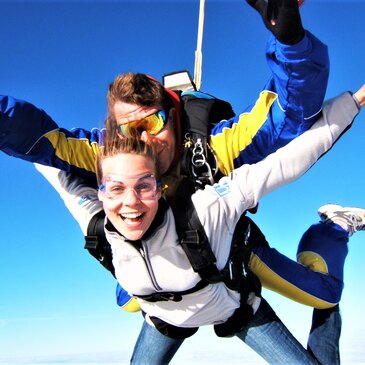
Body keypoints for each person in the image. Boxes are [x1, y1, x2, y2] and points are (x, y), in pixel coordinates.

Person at [35, 88, 364, 364]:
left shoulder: (207, 209)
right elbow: (48, 161)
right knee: (127, 298)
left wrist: (354, 101)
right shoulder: (97, 222)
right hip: (164, 315)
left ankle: (332, 229)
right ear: (101, 193)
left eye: (144, 185)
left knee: (325, 296)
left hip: (233, 296)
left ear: (160, 186)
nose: (131, 202)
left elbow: (290, 160)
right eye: (116, 188)